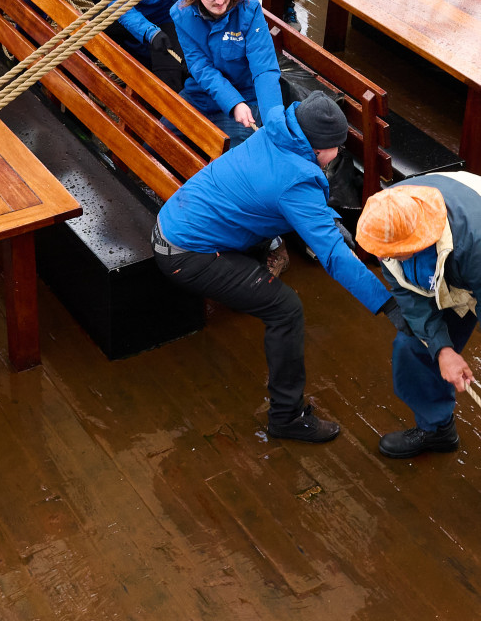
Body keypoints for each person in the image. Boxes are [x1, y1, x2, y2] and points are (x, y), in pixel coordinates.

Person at [152, 92, 399, 442]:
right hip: (186, 253)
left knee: (271, 270)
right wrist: (388, 304)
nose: (339, 153)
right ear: (317, 148)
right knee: (285, 310)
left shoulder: (275, 131)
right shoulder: (299, 179)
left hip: (174, 222)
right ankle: (286, 417)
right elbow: (331, 255)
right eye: (336, 147)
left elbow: (282, 201)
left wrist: (329, 219)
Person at [357, 174, 481, 459]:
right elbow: (407, 293)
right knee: (412, 346)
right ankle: (438, 429)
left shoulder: (474, 241)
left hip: (471, 254)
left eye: (397, 254)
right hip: (445, 266)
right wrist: (443, 350)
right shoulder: (386, 222)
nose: (388, 258)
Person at [172, 0, 283, 146]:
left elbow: (264, 69)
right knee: (160, 139)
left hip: (246, 99)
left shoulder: (250, 12)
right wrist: (232, 102)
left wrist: (274, 121)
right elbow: (200, 67)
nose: (221, 0)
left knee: (239, 148)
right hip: (200, 96)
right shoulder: (182, 15)